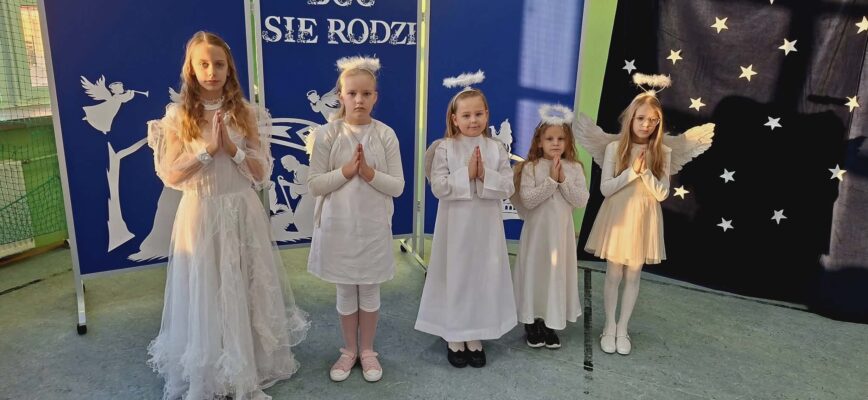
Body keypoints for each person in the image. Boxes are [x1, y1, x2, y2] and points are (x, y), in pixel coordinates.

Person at [146, 31, 308, 400]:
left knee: (243, 286)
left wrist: (233, 150)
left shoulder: (246, 113)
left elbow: (261, 172)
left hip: (240, 211)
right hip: (200, 213)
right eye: (203, 64)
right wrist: (207, 151)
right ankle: (205, 376)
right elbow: (171, 175)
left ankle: (246, 376)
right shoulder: (178, 116)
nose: (211, 71)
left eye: (218, 64)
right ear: (191, 69)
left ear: (229, 69)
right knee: (206, 288)